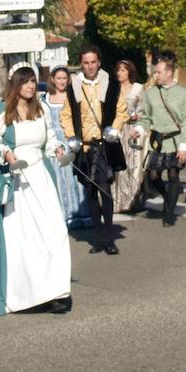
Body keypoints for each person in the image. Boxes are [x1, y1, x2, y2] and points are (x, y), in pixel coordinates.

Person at [0, 64, 71, 315]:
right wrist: (6, 154)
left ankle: (53, 290)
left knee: (54, 232)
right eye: (26, 81)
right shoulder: (1, 110)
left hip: (41, 177)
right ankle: (24, 295)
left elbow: (50, 140)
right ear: (15, 84)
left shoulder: (40, 109)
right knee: (22, 240)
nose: (31, 86)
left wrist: (59, 149)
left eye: (33, 81)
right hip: (16, 180)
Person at [61, 46, 128, 255]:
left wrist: (115, 129)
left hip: (105, 145)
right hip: (85, 147)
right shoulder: (74, 87)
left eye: (93, 62)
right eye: (86, 62)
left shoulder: (111, 85)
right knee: (89, 191)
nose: (90, 66)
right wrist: (72, 136)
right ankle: (98, 238)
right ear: (82, 64)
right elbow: (66, 115)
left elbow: (121, 110)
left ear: (99, 62)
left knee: (105, 189)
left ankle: (109, 238)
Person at [131, 57, 186, 226]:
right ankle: (167, 196)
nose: (156, 75)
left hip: (176, 140)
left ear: (169, 72)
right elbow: (146, 118)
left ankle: (170, 213)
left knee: (173, 175)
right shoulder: (150, 93)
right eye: (155, 72)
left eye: (159, 72)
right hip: (157, 140)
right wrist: (138, 129)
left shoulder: (185, 94)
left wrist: (184, 147)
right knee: (152, 176)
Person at [42, 65, 92, 228]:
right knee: (60, 179)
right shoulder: (45, 99)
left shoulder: (74, 96)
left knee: (76, 178)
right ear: (52, 80)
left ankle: (83, 214)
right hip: (55, 143)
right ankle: (66, 216)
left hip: (72, 141)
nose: (62, 81)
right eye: (59, 78)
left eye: (64, 78)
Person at [111, 60, 146, 213]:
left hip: (133, 129)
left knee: (133, 165)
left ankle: (133, 199)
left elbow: (145, 109)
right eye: (118, 70)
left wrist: (137, 116)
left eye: (123, 70)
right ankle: (117, 201)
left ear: (129, 72)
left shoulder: (138, 88)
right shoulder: (113, 89)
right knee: (118, 166)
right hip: (118, 129)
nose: (120, 73)